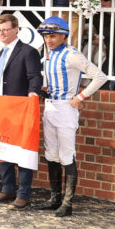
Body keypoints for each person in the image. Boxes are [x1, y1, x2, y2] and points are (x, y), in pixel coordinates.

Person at [35, 16, 106, 217]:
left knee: (67, 155)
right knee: (51, 154)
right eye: (46, 36)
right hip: (50, 107)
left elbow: (99, 76)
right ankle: (55, 198)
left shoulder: (72, 54)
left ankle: (67, 204)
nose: (48, 40)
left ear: (64, 36)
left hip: (66, 108)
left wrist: (81, 96)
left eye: (53, 36)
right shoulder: (48, 53)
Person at [0, 13, 42, 209]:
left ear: (16, 30)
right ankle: (7, 188)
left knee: (22, 151)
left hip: (19, 108)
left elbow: (34, 76)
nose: (2, 33)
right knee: (3, 149)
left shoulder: (28, 51)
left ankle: (24, 194)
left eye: (5, 30)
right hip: (0, 107)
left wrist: (33, 93)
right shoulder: (1, 53)